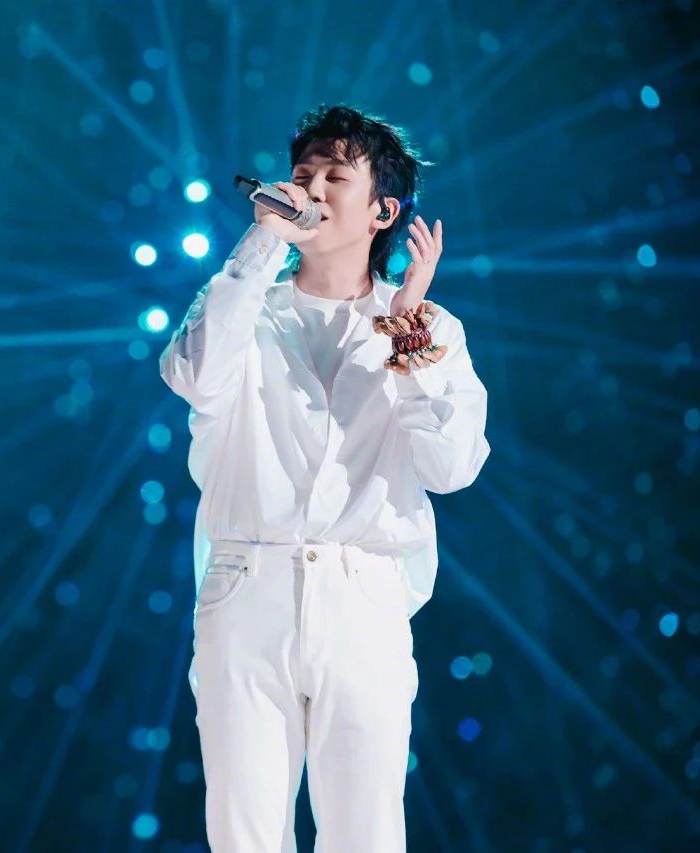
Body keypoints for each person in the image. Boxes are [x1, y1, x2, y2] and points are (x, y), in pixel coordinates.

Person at [158, 103, 491, 852]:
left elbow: (452, 467)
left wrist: (407, 330)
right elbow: (193, 374)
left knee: (365, 834)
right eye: (302, 172)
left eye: (335, 176)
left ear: (383, 210)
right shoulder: (247, 304)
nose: (309, 187)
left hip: (363, 595)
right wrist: (262, 242)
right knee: (244, 833)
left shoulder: (430, 329)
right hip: (248, 586)